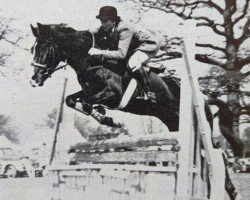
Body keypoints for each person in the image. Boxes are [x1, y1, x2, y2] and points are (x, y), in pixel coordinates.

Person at [89, 6, 163, 103]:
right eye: (101, 21)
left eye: (105, 21)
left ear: (113, 21)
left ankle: (148, 92)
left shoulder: (124, 29)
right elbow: (90, 32)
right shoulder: (106, 27)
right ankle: (147, 69)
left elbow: (121, 54)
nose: (102, 24)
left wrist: (100, 52)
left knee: (132, 62)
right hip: (135, 44)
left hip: (149, 43)